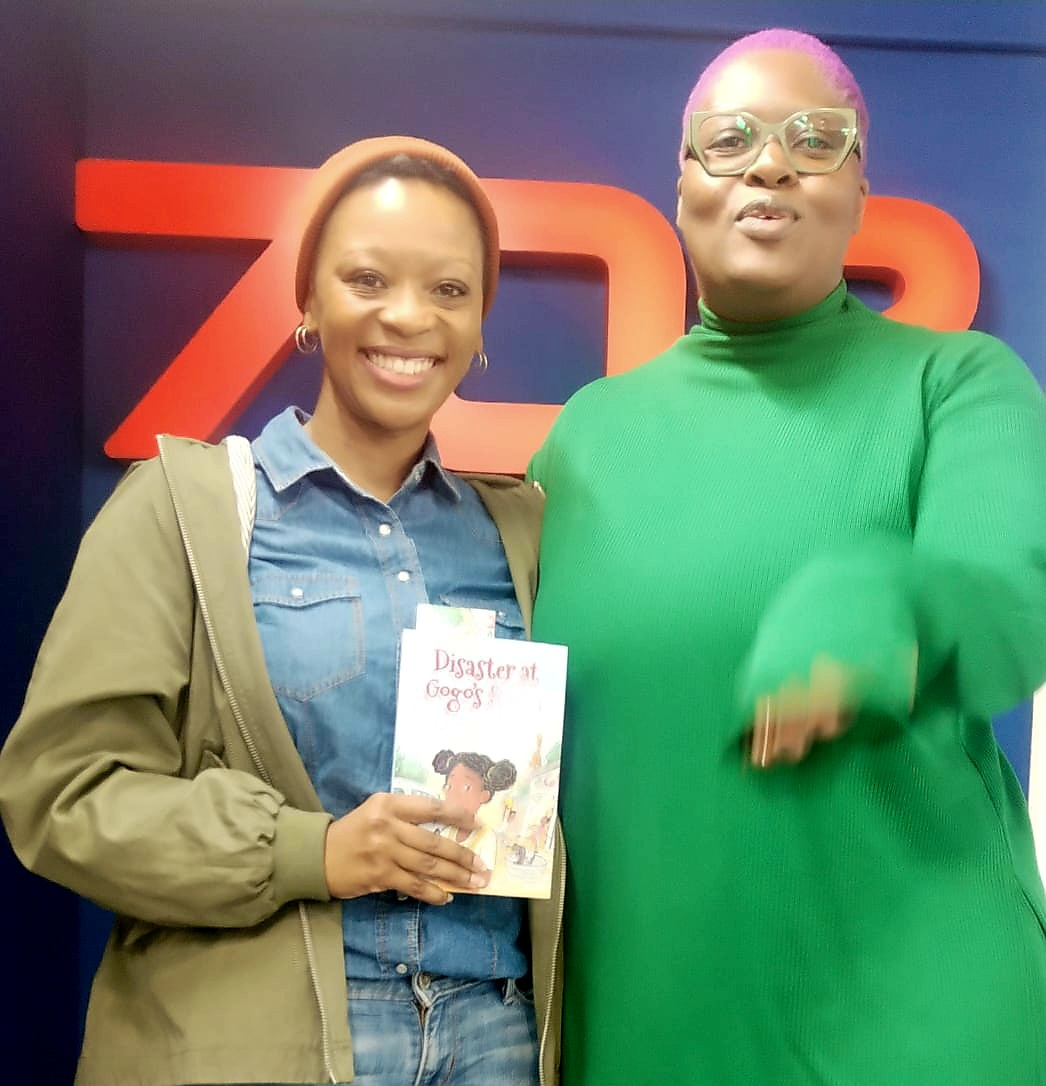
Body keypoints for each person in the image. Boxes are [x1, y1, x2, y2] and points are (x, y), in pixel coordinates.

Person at [529, 28, 1046, 1086]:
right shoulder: (584, 437)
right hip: (647, 1032)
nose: (769, 163)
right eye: (730, 140)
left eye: (814, 139)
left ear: (859, 188)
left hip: (918, 1033)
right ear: (681, 182)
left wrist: (869, 611)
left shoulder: (956, 383)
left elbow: (1004, 601)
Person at [0, 136, 563, 1086]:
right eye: (367, 279)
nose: (408, 316)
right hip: (269, 1038)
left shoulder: (522, 534)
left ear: (478, 329)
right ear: (307, 303)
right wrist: (314, 851)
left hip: (495, 1037)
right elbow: (64, 796)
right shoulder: (185, 510)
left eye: (449, 290)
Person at [433, 748, 518, 871]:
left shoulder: (486, 838)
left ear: (484, 796)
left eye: (466, 787)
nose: (453, 794)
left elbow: (485, 875)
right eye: (449, 786)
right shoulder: (447, 830)